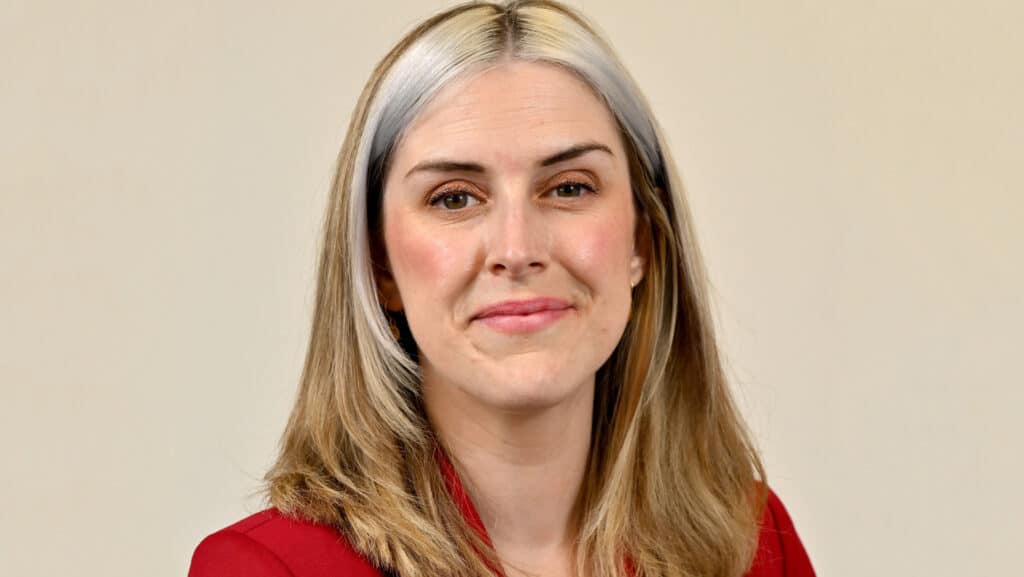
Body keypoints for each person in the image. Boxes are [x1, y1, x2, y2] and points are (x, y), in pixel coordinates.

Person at [188, 1, 815, 576]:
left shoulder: (752, 542)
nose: (517, 250)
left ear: (642, 242)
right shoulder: (267, 569)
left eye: (569, 188)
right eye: (454, 198)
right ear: (379, 266)